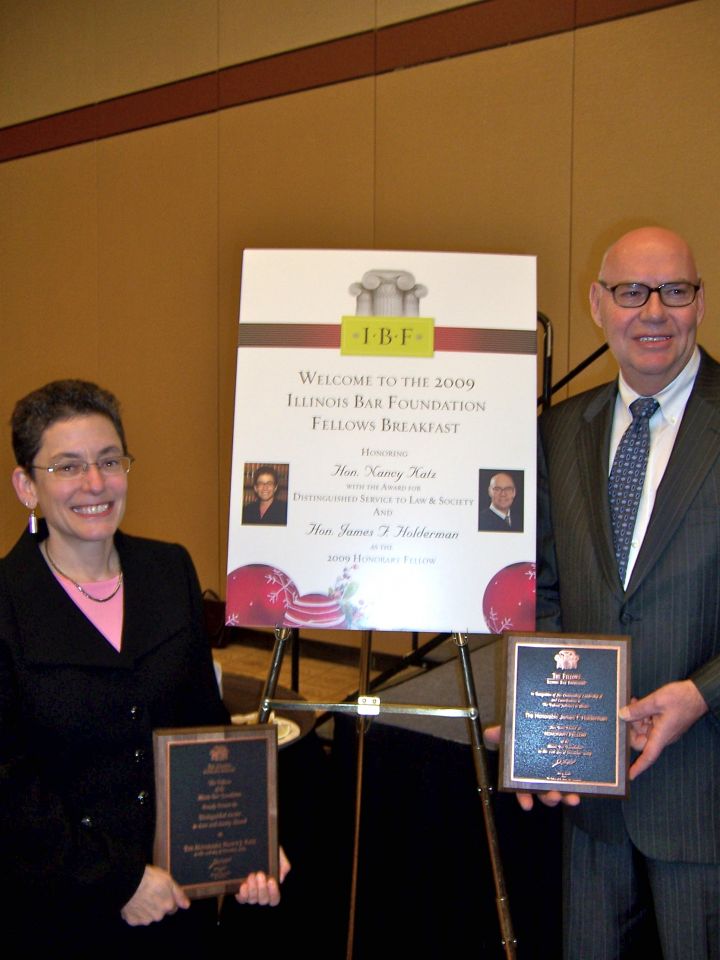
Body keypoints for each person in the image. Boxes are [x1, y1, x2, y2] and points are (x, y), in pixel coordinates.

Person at [486, 226, 720, 958]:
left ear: (700, 303)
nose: (654, 312)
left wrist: (703, 692)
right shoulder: (558, 431)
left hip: (704, 786)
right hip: (588, 793)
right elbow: (543, 592)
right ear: (597, 304)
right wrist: (540, 731)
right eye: (631, 292)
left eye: (674, 291)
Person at [0, 379, 290, 955]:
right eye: (67, 467)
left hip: (176, 898)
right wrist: (118, 881)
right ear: (26, 486)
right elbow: (9, 787)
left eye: (109, 460)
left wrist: (250, 838)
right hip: (59, 910)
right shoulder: (7, 602)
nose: (95, 483)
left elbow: (201, 724)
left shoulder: (168, 569)